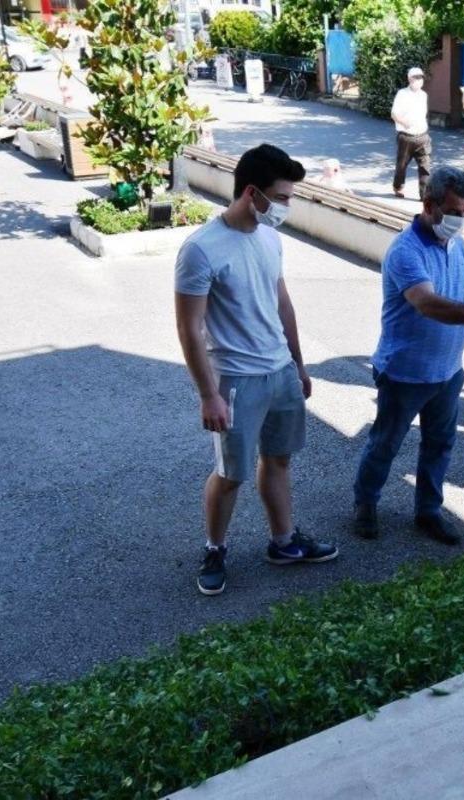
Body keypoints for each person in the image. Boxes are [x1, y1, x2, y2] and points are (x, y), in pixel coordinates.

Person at [174, 144, 339, 596]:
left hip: (280, 371)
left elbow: (281, 303)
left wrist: (299, 365)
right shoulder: (201, 250)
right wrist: (208, 394)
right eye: (282, 197)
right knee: (231, 474)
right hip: (236, 381)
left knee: (279, 460)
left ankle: (283, 543)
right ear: (252, 192)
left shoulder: (270, 238)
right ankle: (215, 548)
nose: (287, 205)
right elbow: (189, 328)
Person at [353, 166, 464, 544]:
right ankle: (365, 503)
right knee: (386, 443)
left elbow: (460, 292)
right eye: (455, 211)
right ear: (429, 205)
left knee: (439, 444)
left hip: (448, 372)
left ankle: (428, 510)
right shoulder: (405, 251)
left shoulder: (456, 244)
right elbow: (427, 303)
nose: (461, 219)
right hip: (405, 373)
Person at [390, 67, 432, 200]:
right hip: (406, 137)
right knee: (401, 165)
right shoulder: (402, 93)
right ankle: (398, 187)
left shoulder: (424, 95)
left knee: (425, 166)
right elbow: (394, 114)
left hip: (422, 136)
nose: (419, 80)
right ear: (409, 79)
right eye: (416, 78)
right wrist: (403, 122)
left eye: (420, 78)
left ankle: (424, 194)